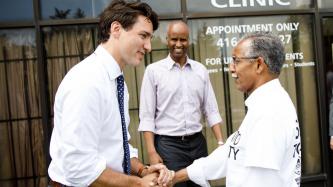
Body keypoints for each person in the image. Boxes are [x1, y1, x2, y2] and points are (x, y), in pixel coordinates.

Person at [48, 1, 174, 187]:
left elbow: (116, 147)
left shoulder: (116, 80)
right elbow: (78, 167)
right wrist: (139, 184)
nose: (149, 47)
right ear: (116, 29)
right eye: (143, 36)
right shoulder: (87, 81)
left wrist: (143, 170)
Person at [172, 32, 302, 187]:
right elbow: (232, 153)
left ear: (259, 64)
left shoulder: (269, 113)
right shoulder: (266, 104)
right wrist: (174, 177)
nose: (231, 68)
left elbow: (260, 181)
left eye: (236, 61)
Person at [138, 20, 224, 187]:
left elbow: (211, 109)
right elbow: (147, 116)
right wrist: (151, 152)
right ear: (167, 40)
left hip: (198, 144)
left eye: (183, 39)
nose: (178, 44)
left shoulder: (200, 70)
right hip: (169, 146)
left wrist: (220, 142)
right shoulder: (153, 71)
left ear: (189, 40)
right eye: (174, 39)